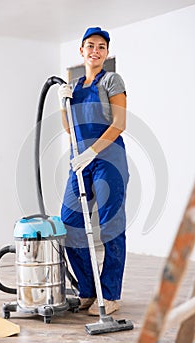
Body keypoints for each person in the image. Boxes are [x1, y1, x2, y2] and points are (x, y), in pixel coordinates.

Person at [58, 27, 129, 316]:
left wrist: (92, 152)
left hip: (108, 159)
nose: (95, 51)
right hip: (80, 161)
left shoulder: (112, 80)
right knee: (69, 222)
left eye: (101, 46)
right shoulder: (73, 85)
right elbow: (70, 129)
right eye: (90, 46)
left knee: (111, 224)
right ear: (81, 50)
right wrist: (63, 104)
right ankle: (88, 290)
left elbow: (120, 123)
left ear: (107, 52)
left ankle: (110, 294)